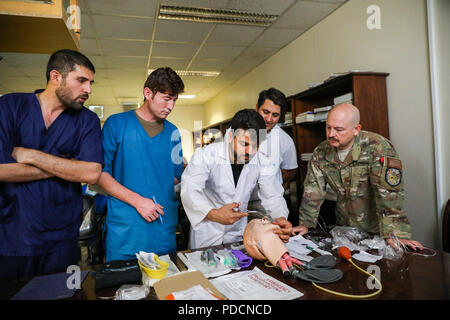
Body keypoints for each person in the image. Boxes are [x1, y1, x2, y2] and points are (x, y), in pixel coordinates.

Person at [0, 49, 103, 278]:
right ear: (56, 77)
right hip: (11, 236)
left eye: (91, 82)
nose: (88, 89)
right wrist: (66, 166)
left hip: (61, 240)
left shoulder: (87, 121)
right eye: (81, 80)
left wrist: (32, 155)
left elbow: (91, 173)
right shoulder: (10, 106)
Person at [293, 103, 423, 251]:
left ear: (356, 129)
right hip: (345, 228)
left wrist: (395, 234)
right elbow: (313, 190)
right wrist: (306, 224)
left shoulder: (377, 147)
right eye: (328, 127)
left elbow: (389, 195)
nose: (331, 134)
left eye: (338, 129)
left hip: (379, 229)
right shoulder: (321, 152)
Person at [95, 67, 184, 262]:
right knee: (124, 288)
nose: (171, 106)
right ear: (148, 93)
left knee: (164, 289)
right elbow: (99, 174)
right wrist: (139, 200)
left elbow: (176, 176)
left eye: (174, 100)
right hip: (128, 230)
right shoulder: (116, 124)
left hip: (162, 229)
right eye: (166, 98)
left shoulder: (173, 133)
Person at [181, 109, 293, 249]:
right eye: (244, 144)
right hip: (207, 232)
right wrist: (214, 214)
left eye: (256, 145)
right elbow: (189, 191)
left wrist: (280, 218)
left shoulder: (263, 160)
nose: (250, 152)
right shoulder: (205, 155)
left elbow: (273, 195)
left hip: (237, 234)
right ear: (229, 137)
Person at [248, 88, 298, 216]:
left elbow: (290, 173)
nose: (269, 119)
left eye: (275, 115)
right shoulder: (239, 132)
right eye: (265, 112)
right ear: (257, 108)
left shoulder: (285, 141)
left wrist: (272, 185)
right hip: (240, 201)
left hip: (269, 204)